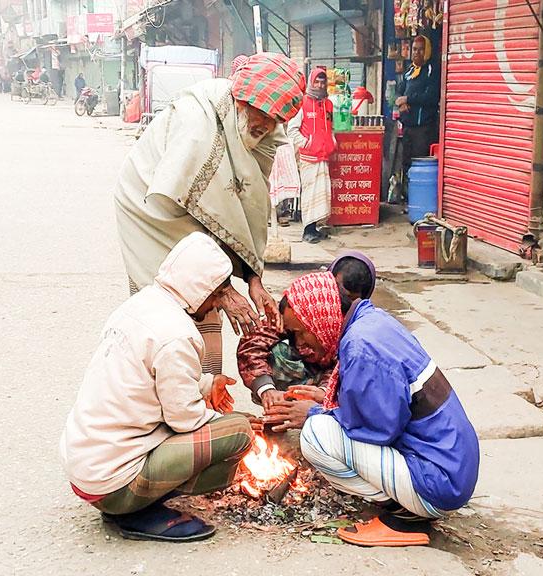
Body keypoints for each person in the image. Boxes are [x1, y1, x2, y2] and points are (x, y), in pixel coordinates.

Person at [113, 52, 306, 379]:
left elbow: (250, 202)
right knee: (178, 300)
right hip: (153, 205)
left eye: (276, 119)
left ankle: (206, 390)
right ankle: (171, 390)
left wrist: (253, 276)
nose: (268, 125)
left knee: (207, 304)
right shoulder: (197, 124)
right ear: (242, 101)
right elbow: (176, 202)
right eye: (263, 115)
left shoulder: (265, 131)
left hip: (193, 208)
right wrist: (221, 287)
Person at [60, 232, 253, 542]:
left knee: (225, 424)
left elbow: (150, 382)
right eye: (216, 295)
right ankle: (137, 508)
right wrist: (232, 419)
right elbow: (185, 420)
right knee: (240, 431)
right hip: (112, 483)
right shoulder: (177, 335)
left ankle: (130, 502)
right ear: (199, 289)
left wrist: (206, 384)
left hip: (87, 469)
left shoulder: (141, 305)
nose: (216, 305)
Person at [267, 272, 480, 547]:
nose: (299, 345)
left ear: (318, 319)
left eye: (299, 333)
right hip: (451, 467)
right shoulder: (371, 321)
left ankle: (408, 518)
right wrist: (326, 399)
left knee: (316, 436)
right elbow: (384, 402)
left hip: (439, 482)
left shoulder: (360, 346)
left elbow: (377, 430)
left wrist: (312, 413)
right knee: (323, 425)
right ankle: (409, 505)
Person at [238, 252, 375, 411]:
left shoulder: (358, 336)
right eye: (336, 290)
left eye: (351, 299)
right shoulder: (302, 306)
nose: (341, 300)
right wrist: (265, 388)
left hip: (332, 388)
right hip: (306, 373)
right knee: (279, 353)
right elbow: (252, 344)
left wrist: (324, 394)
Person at [287, 67, 336, 244]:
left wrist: (332, 142)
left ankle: (314, 228)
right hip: (308, 158)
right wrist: (305, 143)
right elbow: (292, 129)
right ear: (311, 82)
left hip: (323, 156)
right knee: (310, 194)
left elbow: (331, 127)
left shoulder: (328, 104)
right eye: (317, 81)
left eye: (323, 82)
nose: (320, 85)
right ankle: (307, 231)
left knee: (321, 194)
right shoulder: (303, 103)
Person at [395, 35, 441, 193]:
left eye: (421, 50)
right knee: (406, 164)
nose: (417, 53)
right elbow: (399, 91)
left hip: (423, 129)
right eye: (414, 49)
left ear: (427, 51)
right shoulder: (409, 70)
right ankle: (408, 199)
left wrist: (409, 99)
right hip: (408, 127)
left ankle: (418, 198)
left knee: (419, 165)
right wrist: (401, 102)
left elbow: (432, 97)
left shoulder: (431, 70)